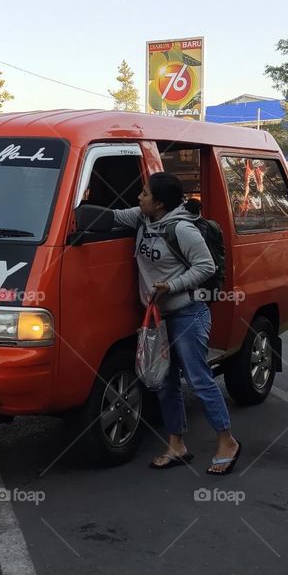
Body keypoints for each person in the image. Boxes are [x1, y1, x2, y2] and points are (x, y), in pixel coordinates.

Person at [112, 172, 242, 474]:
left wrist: (172, 286)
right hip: (159, 318)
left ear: (158, 202)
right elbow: (112, 216)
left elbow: (206, 266)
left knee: (198, 378)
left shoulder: (182, 229)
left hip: (188, 313)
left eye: (144, 193)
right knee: (165, 383)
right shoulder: (142, 218)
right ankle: (177, 445)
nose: (138, 198)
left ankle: (227, 441)